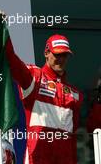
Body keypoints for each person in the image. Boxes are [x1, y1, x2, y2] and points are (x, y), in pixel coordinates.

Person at [6, 33, 83, 164]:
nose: (61, 59)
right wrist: (4, 34)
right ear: (46, 53)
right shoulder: (35, 78)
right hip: (37, 159)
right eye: (57, 54)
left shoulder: (75, 94)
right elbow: (13, 63)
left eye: (64, 55)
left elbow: (73, 138)